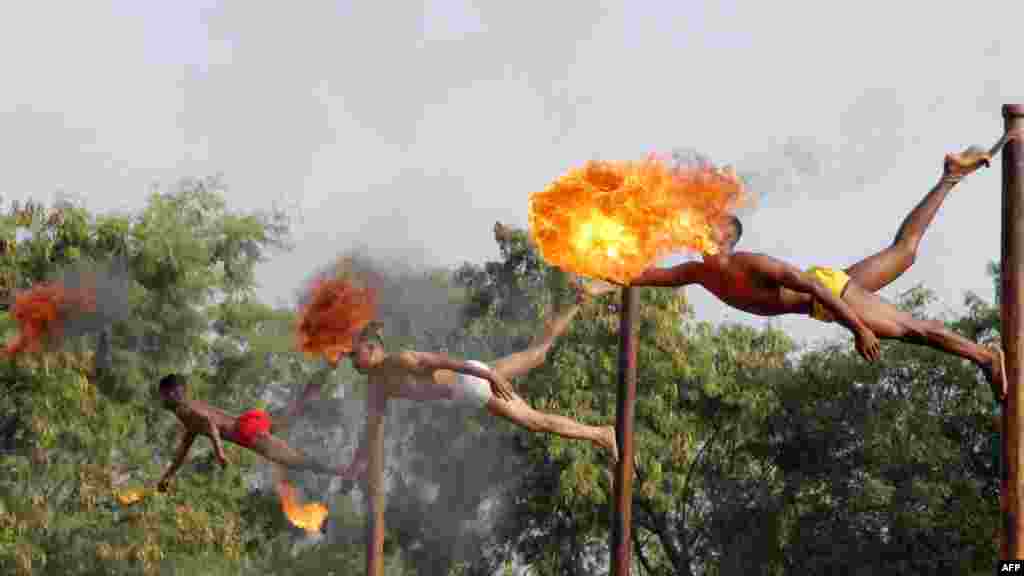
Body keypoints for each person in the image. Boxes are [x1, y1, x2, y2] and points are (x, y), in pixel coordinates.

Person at [626, 133, 1024, 402]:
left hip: (829, 295)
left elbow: (815, 289)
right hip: (829, 292)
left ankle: (985, 356)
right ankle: (952, 176)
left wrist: (859, 328)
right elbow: (648, 276)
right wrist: (600, 263)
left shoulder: (749, 263)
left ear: (724, 238)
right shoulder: (699, 272)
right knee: (904, 251)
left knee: (909, 329)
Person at [335, 281, 619, 483]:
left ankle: (601, 435)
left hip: (471, 383)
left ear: (371, 348)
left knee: (535, 421)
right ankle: (580, 298)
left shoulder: (399, 360)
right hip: (473, 378)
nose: (352, 361)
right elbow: (371, 429)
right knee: (537, 355)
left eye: (354, 355)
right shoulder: (380, 385)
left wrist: (489, 376)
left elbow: (445, 361)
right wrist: (356, 466)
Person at [155, 373, 336, 491]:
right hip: (249, 423)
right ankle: (316, 383)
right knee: (289, 417)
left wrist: (220, 453)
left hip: (246, 432)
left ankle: (343, 471)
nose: (161, 399)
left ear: (173, 394)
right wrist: (167, 476)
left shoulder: (185, 410)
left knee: (294, 461)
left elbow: (208, 422)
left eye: (163, 395)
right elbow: (184, 449)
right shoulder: (186, 412)